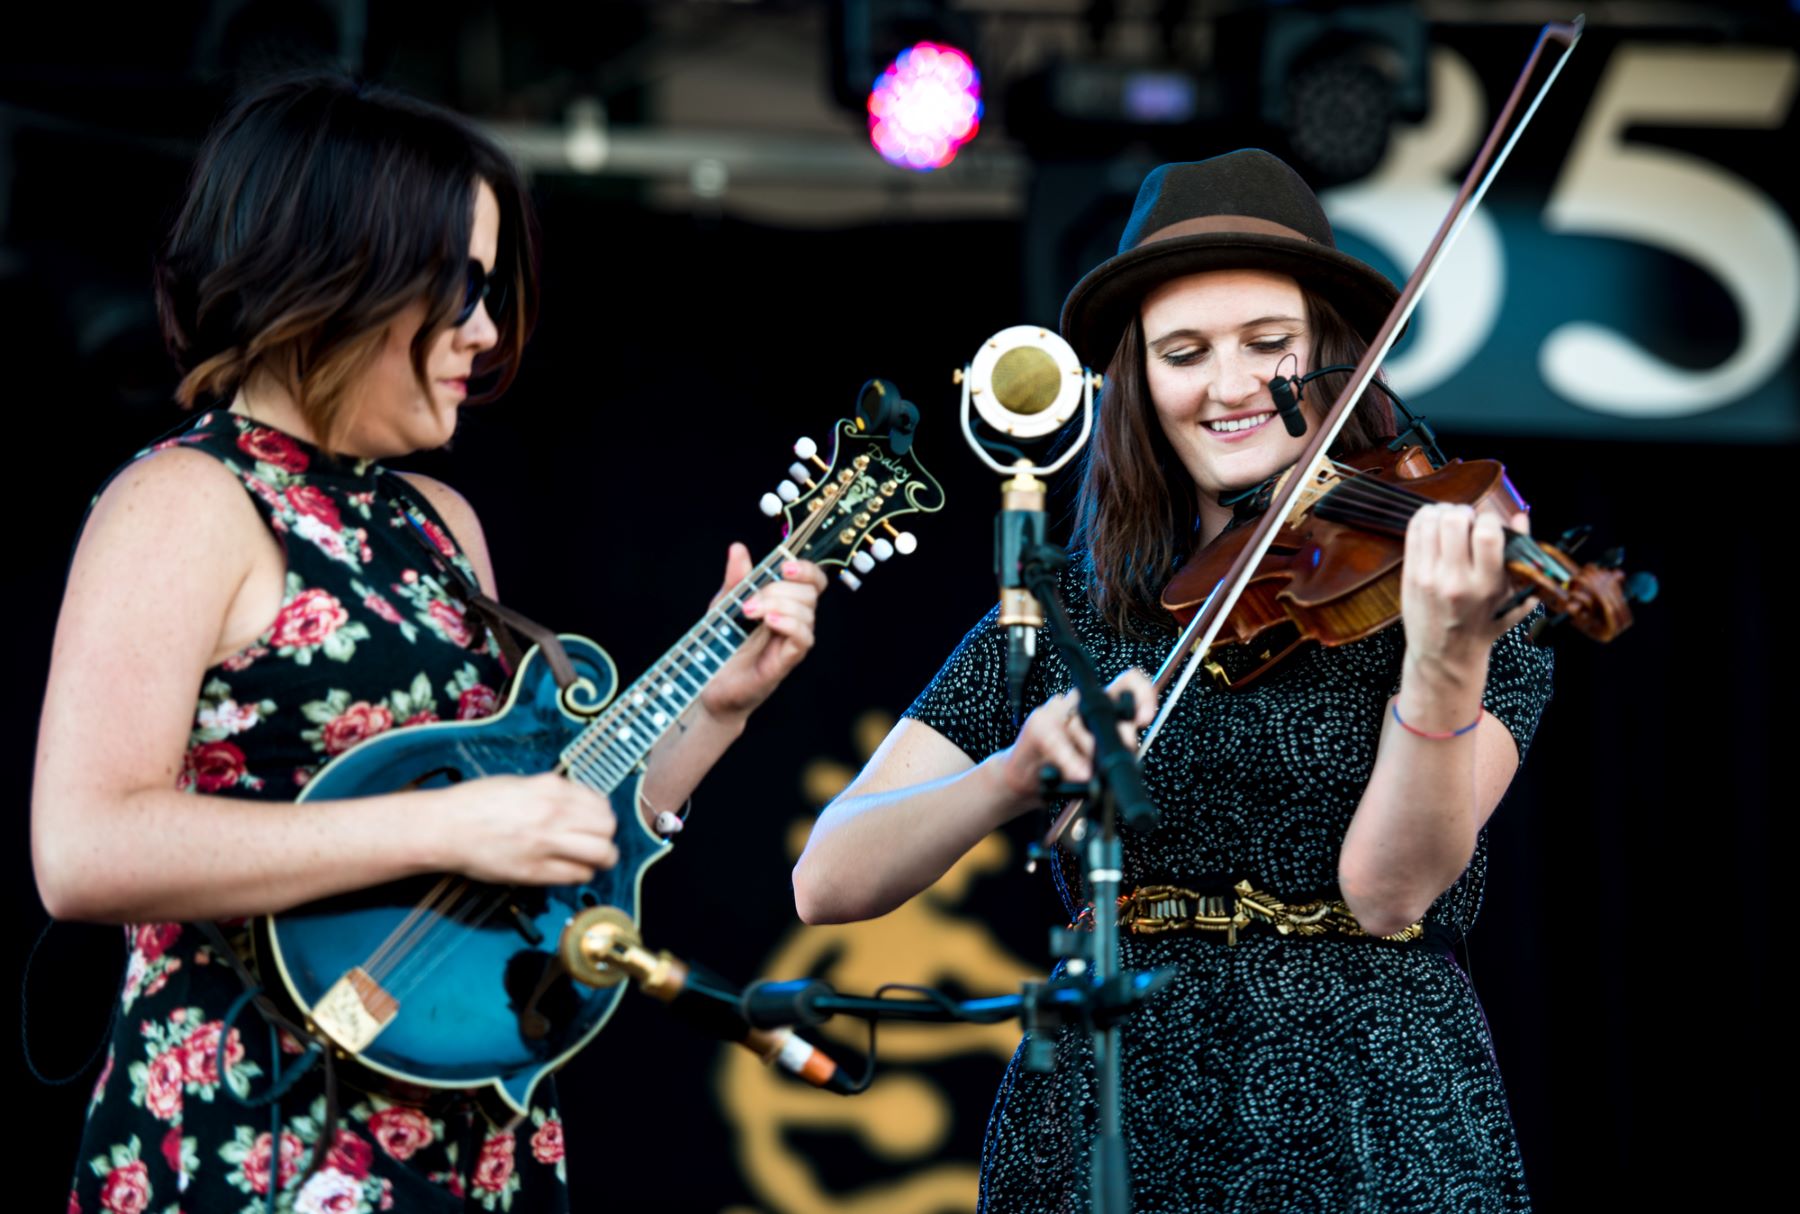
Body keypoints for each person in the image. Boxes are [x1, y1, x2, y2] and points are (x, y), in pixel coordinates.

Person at [32, 75, 826, 1214]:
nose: (488, 331)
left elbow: (541, 817)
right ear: (341, 272)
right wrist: (450, 821)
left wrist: (718, 706)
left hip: (467, 1122)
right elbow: (82, 845)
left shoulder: (440, 522)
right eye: (460, 288)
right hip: (261, 1129)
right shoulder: (185, 501)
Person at [792, 148, 1554, 1211]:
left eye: (1270, 344)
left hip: (1374, 1105)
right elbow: (828, 877)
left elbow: (1389, 893)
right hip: (1117, 1097)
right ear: (1138, 382)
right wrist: (1014, 772)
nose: (1231, 385)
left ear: (1334, 354)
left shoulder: (1449, 601)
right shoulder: (1073, 617)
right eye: (1185, 351)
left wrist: (1440, 658)